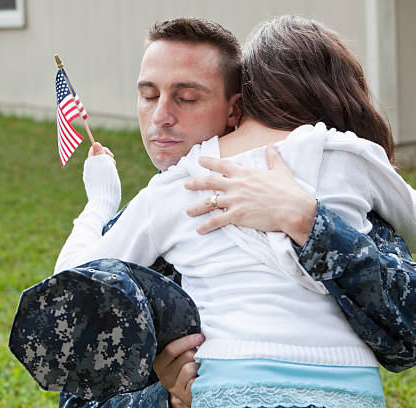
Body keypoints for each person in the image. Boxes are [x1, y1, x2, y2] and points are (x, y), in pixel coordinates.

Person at [56, 17, 416, 408]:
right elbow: (76, 389)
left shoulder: (333, 193)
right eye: (148, 95)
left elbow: (407, 334)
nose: (161, 115)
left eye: (187, 98)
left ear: (236, 109)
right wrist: (165, 397)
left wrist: (309, 223)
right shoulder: (154, 204)